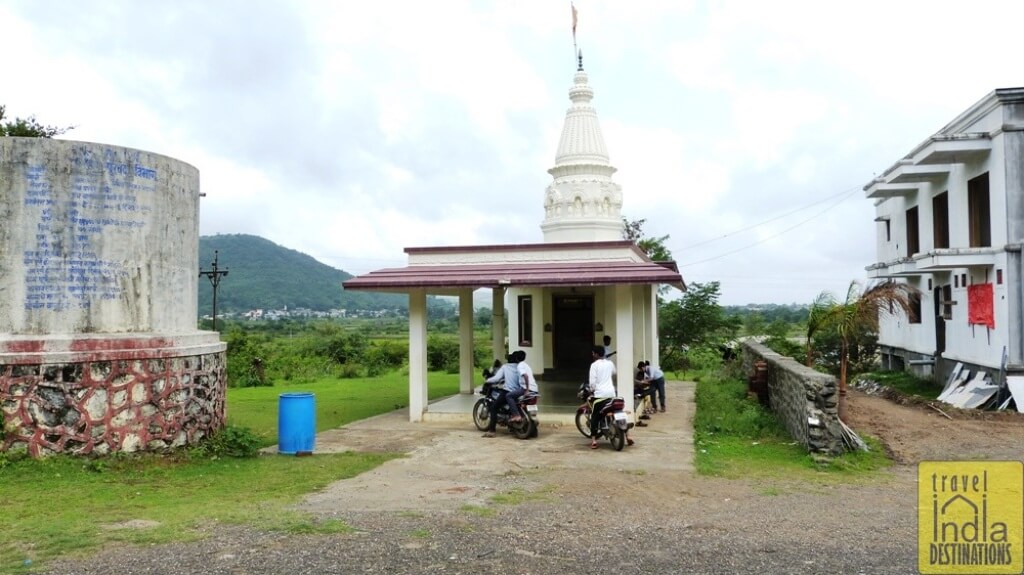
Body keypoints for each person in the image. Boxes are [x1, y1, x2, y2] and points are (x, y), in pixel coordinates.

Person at [587, 345, 633, 449]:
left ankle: (594, 440)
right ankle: (628, 435)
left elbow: (592, 383)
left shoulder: (594, 365)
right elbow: (614, 373)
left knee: (594, 416)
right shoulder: (610, 363)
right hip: (611, 394)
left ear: (596, 354)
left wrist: (592, 390)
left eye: (593, 353)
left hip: (600, 396)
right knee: (619, 412)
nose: (592, 354)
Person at [482, 353, 522, 438]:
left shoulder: (505, 367)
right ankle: (512, 426)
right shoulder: (519, 367)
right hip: (519, 391)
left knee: (494, 408)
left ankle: (492, 431)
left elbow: (497, 378)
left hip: (508, 391)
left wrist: (487, 380)